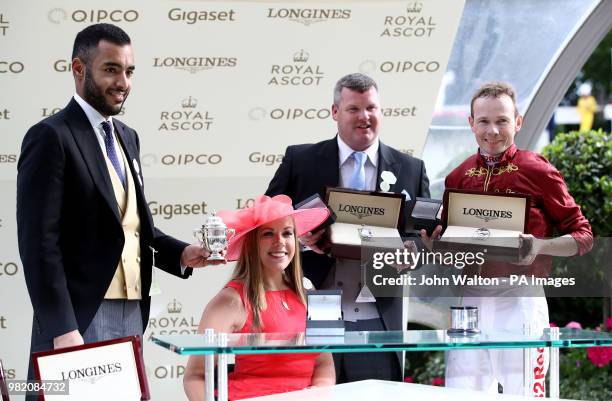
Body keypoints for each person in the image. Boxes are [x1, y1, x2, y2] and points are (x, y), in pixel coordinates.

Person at [16, 23, 218, 394]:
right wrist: (63, 329)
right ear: (79, 69)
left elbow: (136, 228)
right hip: (80, 317)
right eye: (111, 69)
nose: (123, 81)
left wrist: (183, 255)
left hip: (131, 313)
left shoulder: (127, 137)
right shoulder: (50, 137)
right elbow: (38, 246)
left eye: (129, 71)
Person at [424, 81, 593, 395]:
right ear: (471, 123)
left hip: (520, 300)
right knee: (460, 395)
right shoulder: (457, 176)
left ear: (517, 122)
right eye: (484, 121)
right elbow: (451, 246)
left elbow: (584, 236)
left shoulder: (538, 170)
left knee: (526, 393)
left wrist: (540, 245)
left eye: (502, 120)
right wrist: (436, 248)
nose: (492, 131)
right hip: (469, 301)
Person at [265, 73, 430, 382]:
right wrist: (298, 238)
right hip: (311, 312)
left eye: (371, 108)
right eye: (354, 109)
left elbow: (421, 236)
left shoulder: (410, 168)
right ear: (335, 112)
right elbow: (267, 219)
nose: (364, 117)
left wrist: (411, 252)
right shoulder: (300, 160)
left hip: (378, 317)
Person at [183, 195, 335, 400]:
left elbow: (325, 364)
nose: (279, 242)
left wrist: (318, 393)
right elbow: (195, 376)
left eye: (287, 233)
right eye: (268, 234)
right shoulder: (230, 300)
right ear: (251, 243)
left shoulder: (313, 292)